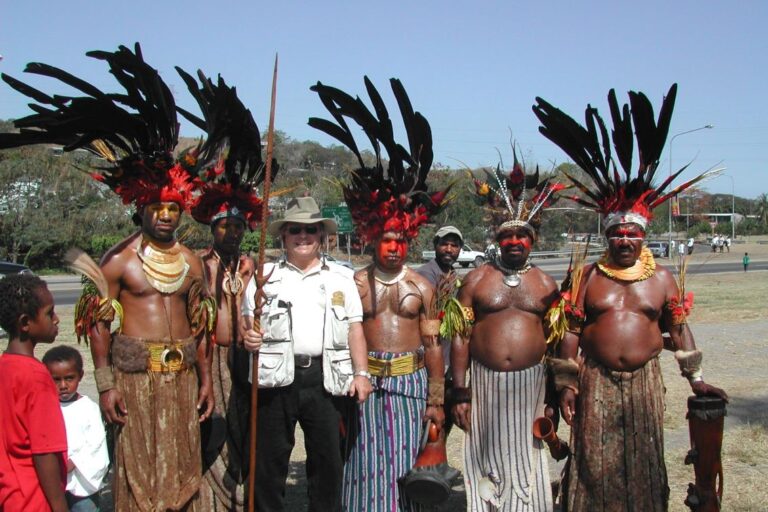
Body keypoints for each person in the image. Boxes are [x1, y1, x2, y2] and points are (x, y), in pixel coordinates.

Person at [0, 44, 221, 510]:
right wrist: (106, 385)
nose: (165, 215)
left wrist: (205, 379)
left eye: (173, 208)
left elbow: (200, 325)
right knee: (139, 473)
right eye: (157, 207)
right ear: (140, 205)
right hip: (135, 382)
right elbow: (99, 326)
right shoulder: (117, 262)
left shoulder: (193, 261)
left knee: (184, 470)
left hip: (181, 379)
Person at [535, 83, 729, 511]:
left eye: (632, 233)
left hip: (643, 386)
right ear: (608, 235)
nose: (625, 239)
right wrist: (566, 384)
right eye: (617, 233)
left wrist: (696, 381)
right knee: (592, 466)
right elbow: (570, 330)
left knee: (641, 465)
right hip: (595, 383)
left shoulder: (661, 279)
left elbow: (678, 330)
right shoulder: (586, 276)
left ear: (644, 236)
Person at [309, 77, 452, 511]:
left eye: (400, 240)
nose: (393, 247)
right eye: (386, 239)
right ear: (373, 239)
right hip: (363, 383)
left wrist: (436, 401)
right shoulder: (351, 282)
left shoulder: (423, 286)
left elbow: (432, 343)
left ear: (408, 240)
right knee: (362, 463)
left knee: (406, 464)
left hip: (410, 383)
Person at [181, 67, 274, 511]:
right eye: (226, 226)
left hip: (245, 361)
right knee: (212, 435)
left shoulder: (253, 262)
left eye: (239, 225)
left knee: (243, 435)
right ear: (213, 229)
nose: (233, 232)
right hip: (210, 357)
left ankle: (239, 500)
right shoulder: (198, 264)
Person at [241, 196, 372, 512]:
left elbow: (355, 328)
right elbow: (247, 324)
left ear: (321, 236)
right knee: (268, 464)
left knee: (328, 462)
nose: (303, 237)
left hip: (325, 380)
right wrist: (249, 337)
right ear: (283, 235)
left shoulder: (341, 277)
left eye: (310, 230)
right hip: (275, 379)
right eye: (295, 230)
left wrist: (362, 374)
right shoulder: (263, 276)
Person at [452, 150, 563, 511]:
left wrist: (554, 398)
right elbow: (460, 337)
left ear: (534, 239)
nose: (514, 242)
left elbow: (558, 344)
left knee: (527, 459)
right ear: (497, 239)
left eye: (522, 236)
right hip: (484, 384)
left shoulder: (547, 284)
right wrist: (460, 392)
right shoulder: (476, 279)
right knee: (485, 456)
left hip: (531, 386)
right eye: (507, 236)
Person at [0, 274, 68, 512]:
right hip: (35, 500)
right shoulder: (37, 378)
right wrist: (60, 507)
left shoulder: (5, 366)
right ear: (25, 322)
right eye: (50, 313)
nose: (56, 319)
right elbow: (44, 452)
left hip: (10, 496)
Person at [43, 346, 110, 512]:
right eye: (56, 380)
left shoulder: (88, 408)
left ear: (80, 376)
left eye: (69, 378)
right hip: (52, 480)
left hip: (82, 485)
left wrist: (75, 462)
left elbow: (96, 444)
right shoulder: (44, 408)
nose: (63, 385)